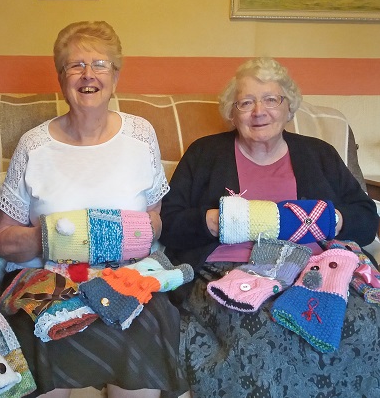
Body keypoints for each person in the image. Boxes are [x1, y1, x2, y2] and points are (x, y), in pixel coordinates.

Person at [160, 57, 380, 397]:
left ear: (288, 107)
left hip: (314, 271)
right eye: (246, 102)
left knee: (362, 322)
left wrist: (332, 219)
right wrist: (214, 221)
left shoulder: (319, 154)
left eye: (271, 100)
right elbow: (170, 224)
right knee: (266, 326)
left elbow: (366, 219)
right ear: (233, 113)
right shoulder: (205, 153)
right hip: (227, 271)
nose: (258, 111)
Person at [0, 21, 188, 398]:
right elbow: (2, 241)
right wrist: (58, 239)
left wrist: (117, 242)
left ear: (115, 76)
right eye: (74, 65)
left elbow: (154, 224)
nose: (87, 75)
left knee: (143, 325)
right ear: (61, 77)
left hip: (127, 280)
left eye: (100, 64)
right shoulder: (34, 145)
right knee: (42, 329)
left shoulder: (141, 135)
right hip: (47, 283)